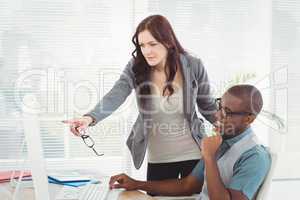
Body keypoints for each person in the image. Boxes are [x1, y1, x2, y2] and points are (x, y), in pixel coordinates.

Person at [63, 15, 216, 183]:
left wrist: (237, 130)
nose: (146, 51)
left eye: (152, 44)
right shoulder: (136, 67)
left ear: (168, 42)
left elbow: (207, 105)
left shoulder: (193, 65)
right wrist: (89, 118)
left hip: (194, 153)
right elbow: (117, 94)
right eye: (142, 45)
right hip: (158, 157)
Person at [109, 84, 272, 200]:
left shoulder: (255, 156)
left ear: (249, 118)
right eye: (219, 106)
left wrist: (208, 157)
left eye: (227, 112)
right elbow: (188, 185)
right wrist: (136, 184)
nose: (218, 116)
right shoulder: (221, 141)